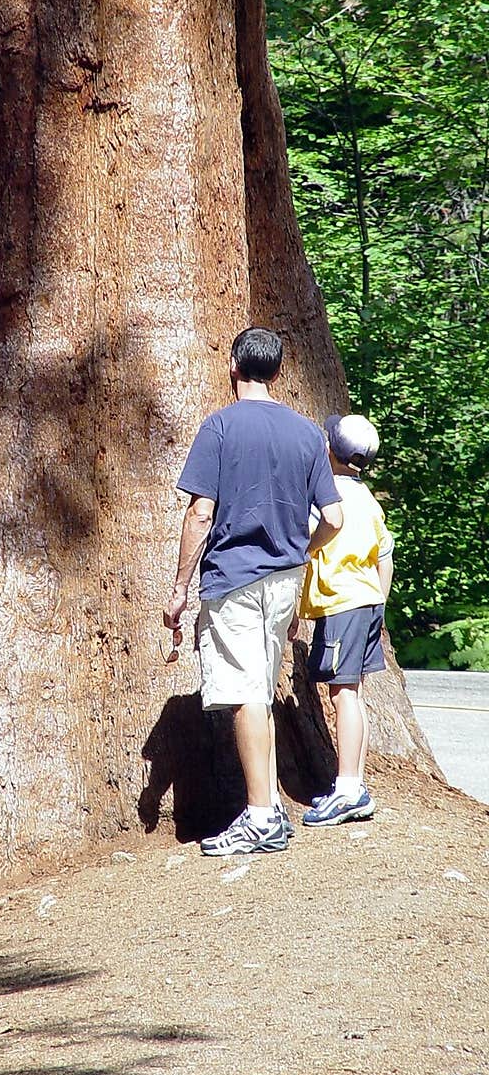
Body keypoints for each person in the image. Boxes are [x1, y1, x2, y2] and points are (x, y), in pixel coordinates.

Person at [163, 326, 343, 856]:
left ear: (234, 367)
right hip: (286, 579)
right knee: (259, 692)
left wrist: (178, 589)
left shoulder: (219, 428)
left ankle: (262, 818)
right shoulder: (309, 433)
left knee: (244, 696)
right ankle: (270, 812)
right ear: (278, 373)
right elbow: (332, 518)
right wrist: (299, 553)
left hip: (234, 578)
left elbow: (200, 513)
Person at [291, 412, 394, 827]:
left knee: (342, 695)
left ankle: (349, 788)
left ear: (329, 450)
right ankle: (354, 784)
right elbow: (384, 554)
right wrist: (379, 602)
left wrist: (299, 598)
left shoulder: (328, 495)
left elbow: (309, 544)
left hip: (342, 603)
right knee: (355, 694)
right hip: (367, 601)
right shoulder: (367, 498)